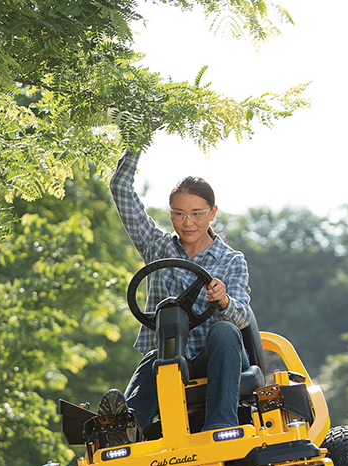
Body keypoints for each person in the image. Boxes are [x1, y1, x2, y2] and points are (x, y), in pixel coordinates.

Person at [105, 149, 251, 435]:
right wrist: (139, 137)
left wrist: (223, 300)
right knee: (155, 356)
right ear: (170, 213)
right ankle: (127, 428)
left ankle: (221, 426)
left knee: (225, 331)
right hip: (171, 358)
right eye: (179, 214)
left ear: (212, 213)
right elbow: (120, 187)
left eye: (197, 214)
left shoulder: (232, 260)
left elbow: (243, 317)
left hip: (219, 358)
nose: (187, 223)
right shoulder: (156, 247)